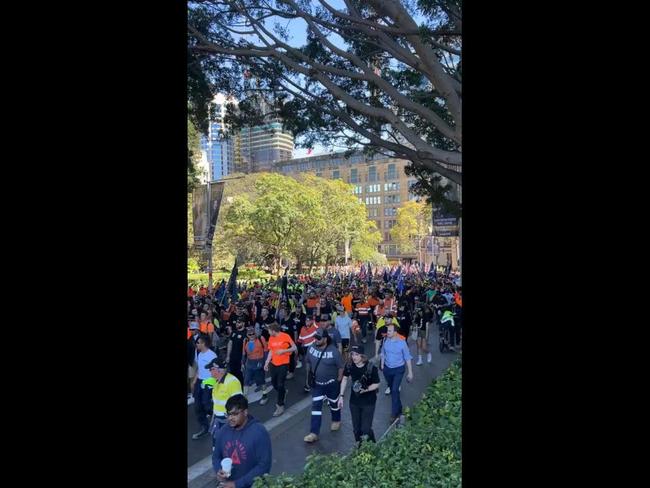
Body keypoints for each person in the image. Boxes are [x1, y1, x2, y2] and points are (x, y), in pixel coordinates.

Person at [213, 394, 272, 488]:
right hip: (227, 484)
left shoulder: (259, 432)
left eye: (235, 414)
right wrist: (218, 470)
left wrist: (237, 484)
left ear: (245, 412)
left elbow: (264, 466)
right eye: (228, 414)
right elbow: (216, 456)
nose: (230, 418)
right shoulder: (223, 430)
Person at [303, 328, 344, 443]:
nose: (315, 340)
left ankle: (336, 419)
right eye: (315, 337)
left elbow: (341, 366)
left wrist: (338, 380)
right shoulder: (311, 348)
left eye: (318, 338)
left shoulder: (334, 352)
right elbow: (308, 363)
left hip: (332, 385)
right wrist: (307, 378)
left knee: (334, 404)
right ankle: (314, 433)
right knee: (316, 407)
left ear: (325, 339)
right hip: (317, 385)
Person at [338, 344, 380, 445]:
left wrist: (367, 389)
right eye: (352, 354)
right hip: (354, 402)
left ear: (363, 356)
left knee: (365, 429)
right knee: (356, 429)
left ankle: (373, 445)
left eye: (357, 354)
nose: (354, 357)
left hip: (369, 402)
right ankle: (360, 448)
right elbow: (344, 378)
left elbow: (377, 384)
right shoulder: (349, 365)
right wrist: (341, 396)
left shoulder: (371, 367)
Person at [205, 357, 243, 445]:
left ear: (219, 370)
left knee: (229, 446)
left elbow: (238, 404)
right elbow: (217, 402)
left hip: (228, 421)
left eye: (211, 369)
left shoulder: (232, 382)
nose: (210, 372)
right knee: (217, 445)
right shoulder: (216, 381)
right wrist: (214, 418)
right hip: (218, 420)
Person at [380, 324, 414, 423]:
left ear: (395, 332)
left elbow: (407, 358)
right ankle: (399, 408)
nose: (387, 332)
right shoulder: (385, 340)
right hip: (387, 369)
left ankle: (394, 414)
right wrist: (382, 364)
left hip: (398, 369)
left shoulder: (402, 343)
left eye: (390, 331)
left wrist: (410, 373)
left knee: (395, 390)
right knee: (393, 390)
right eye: (387, 330)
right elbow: (383, 352)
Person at [263, 323, 297, 417]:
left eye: (269, 330)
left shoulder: (285, 336)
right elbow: (271, 350)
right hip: (273, 364)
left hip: (283, 364)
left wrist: (283, 351)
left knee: (280, 384)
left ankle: (280, 406)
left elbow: (294, 347)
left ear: (274, 330)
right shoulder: (271, 338)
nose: (268, 332)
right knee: (274, 383)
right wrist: (266, 362)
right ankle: (283, 392)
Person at [191, 335, 217, 440]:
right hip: (200, 381)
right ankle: (204, 427)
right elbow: (199, 368)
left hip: (209, 381)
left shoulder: (212, 355)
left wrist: (215, 383)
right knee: (197, 406)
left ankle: (219, 416)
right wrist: (194, 380)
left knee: (206, 404)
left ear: (204, 344)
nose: (196, 344)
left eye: (198, 343)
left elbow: (217, 370)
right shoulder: (199, 353)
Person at [242, 327, 269, 405]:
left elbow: (266, 351)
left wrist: (265, 362)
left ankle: (265, 395)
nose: (251, 335)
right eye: (249, 334)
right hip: (249, 363)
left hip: (259, 362)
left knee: (261, 380)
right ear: (247, 335)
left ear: (255, 333)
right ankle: (245, 397)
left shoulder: (261, 338)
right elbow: (244, 353)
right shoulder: (245, 340)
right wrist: (242, 363)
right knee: (246, 380)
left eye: (253, 333)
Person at [298, 317, 320, 392]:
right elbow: (300, 340)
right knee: (307, 368)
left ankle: (316, 382)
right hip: (306, 351)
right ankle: (307, 384)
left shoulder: (315, 325)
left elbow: (318, 319)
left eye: (308, 320)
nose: (306, 322)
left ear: (312, 321)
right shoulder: (302, 328)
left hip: (315, 350)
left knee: (315, 368)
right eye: (306, 320)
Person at [226, 320, 247, 385]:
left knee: (240, 373)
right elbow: (230, 343)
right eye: (236, 322)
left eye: (239, 322)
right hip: (232, 356)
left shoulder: (246, 333)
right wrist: (228, 356)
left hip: (240, 357)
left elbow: (246, 347)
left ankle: (241, 387)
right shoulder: (234, 332)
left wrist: (243, 360)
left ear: (243, 323)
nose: (237, 324)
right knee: (232, 372)